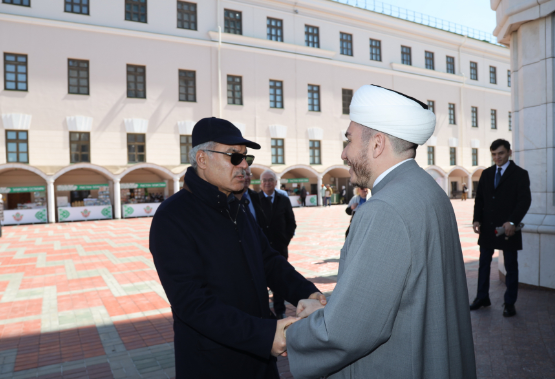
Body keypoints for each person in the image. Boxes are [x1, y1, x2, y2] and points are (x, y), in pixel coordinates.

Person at [286, 84, 476, 379]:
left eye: (348, 140)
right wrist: (328, 308)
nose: (344, 153)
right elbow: (395, 293)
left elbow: (349, 330)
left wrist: (292, 334)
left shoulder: (384, 208)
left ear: (376, 144)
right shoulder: (428, 189)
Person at [148, 117, 325, 379]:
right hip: (213, 363)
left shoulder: (236, 207)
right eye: (234, 157)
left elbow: (269, 262)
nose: (244, 165)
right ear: (202, 159)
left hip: (260, 361)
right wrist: (264, 335)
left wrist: (309, 294)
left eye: (246, 158)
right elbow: (193, 303)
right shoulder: (172, 217)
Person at [470, 139, 531, 318]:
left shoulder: (520, 174)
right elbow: (479, 198)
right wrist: (476, 220)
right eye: (494, 154)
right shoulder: (486, 174)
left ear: (509, 153)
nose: (497, 157)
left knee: (511, 266)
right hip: (487, 228)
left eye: (501, 153)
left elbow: (524, 200)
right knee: (483, 264)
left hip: (508, 229)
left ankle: (509, 303)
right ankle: (482, 298)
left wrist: (512, 222)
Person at [249, 170, 297, 319]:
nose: (267, 183)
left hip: (279, 247)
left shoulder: (283, 199)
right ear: (260, 183)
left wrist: (285, 240)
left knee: (279, 279)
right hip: (261, 248)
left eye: (270, 180)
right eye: (264, 180)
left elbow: (291, 223)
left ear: (276, 182)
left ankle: (280, 310)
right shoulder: (255, 200)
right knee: (260, 280)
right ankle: (263, 311)